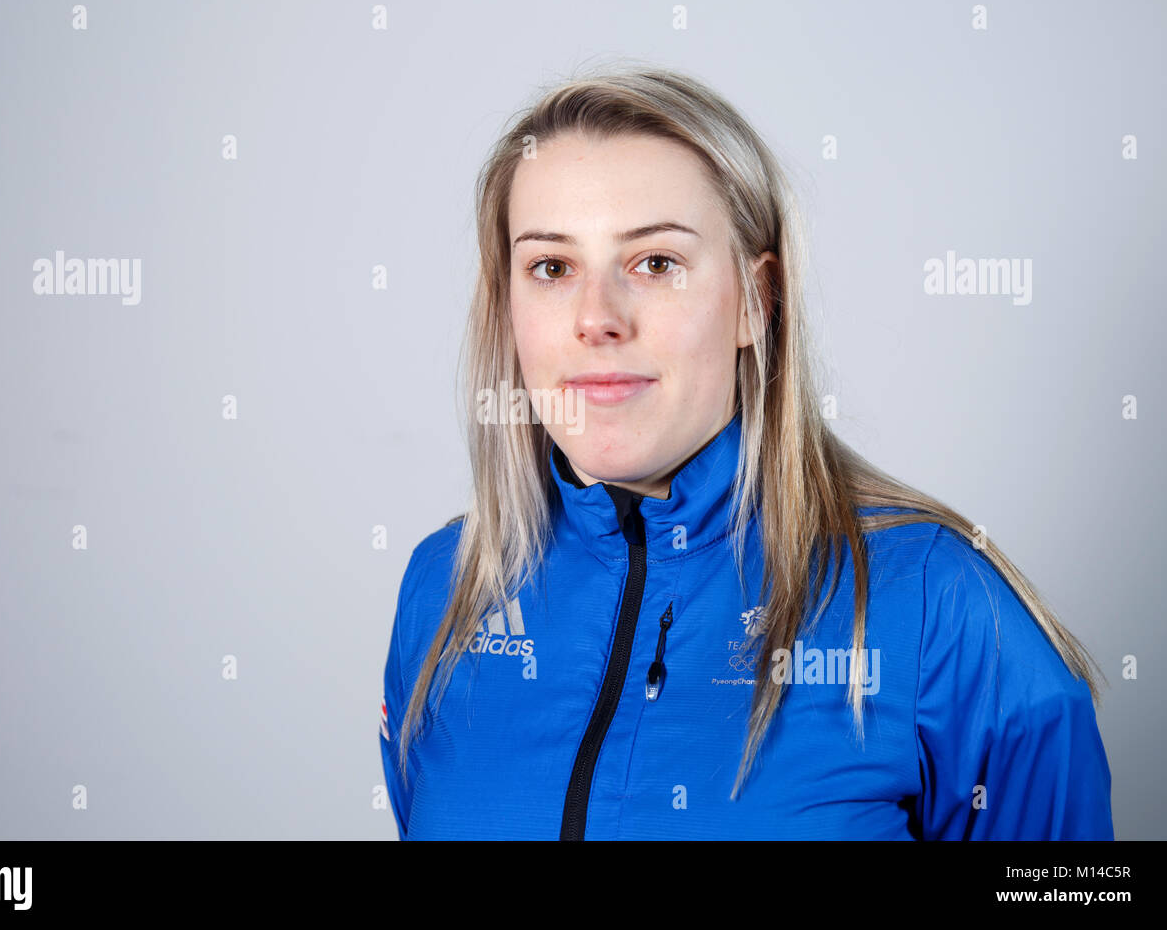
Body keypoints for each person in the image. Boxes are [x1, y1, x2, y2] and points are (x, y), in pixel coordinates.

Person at [378, 62, 1113, 840]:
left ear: (755, 302)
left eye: (655, 263)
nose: (596, 318)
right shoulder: (446, 591)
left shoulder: (940, 606)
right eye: (551, 268)